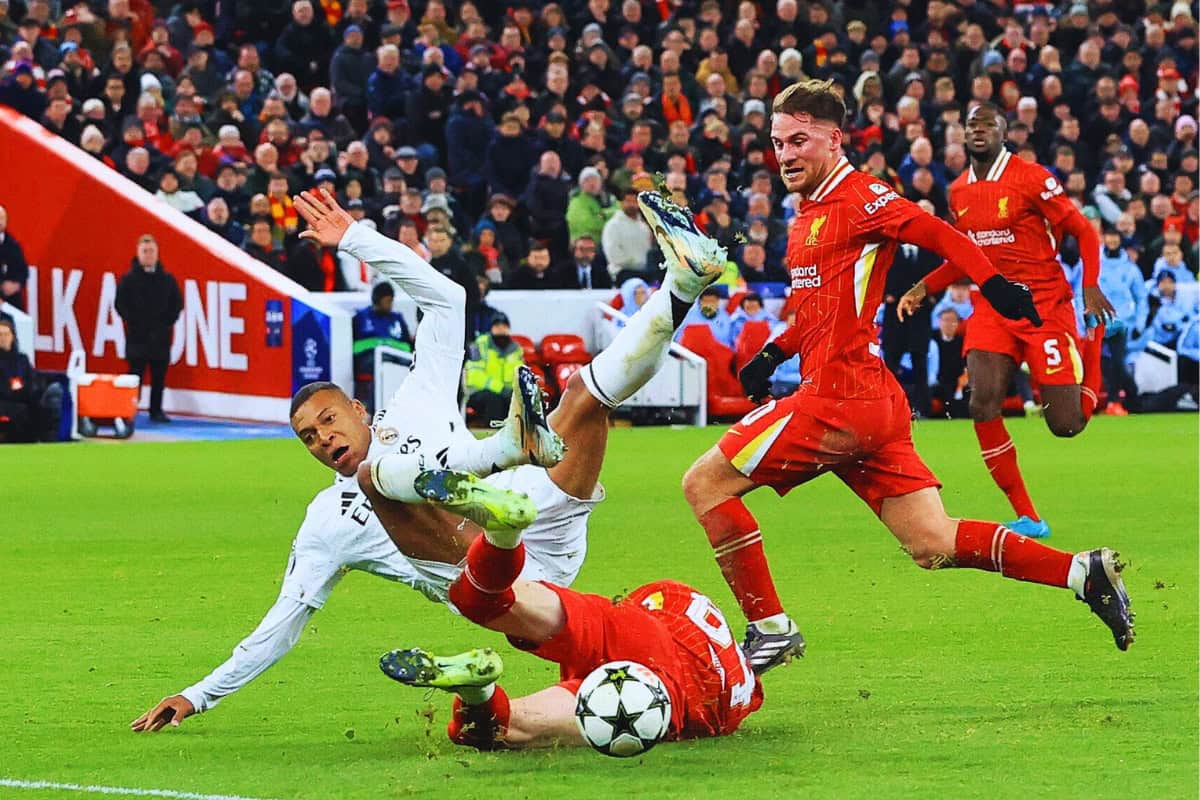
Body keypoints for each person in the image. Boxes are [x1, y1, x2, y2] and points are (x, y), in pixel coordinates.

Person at [130, 187, 725, 732]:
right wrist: (199, 693)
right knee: (374, 482)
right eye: (309, 439)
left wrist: (359, 239)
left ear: (361, 410)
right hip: (500, 585)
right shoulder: (325, 524)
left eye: (329, 421)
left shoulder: (413, 402)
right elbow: (282, 623)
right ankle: (498, 458)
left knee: (584, 396)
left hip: (547, 528)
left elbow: (447, 300)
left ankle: (683, 284)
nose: (322, 440)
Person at [680, 81, 1132, 676]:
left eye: (799, 140)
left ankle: (770, 628)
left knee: (705, 484)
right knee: (932, 542)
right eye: (777, 143)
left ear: (833, 138)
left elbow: (941, 234)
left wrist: (992, 285)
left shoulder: (862, 194)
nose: (785, 154)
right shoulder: (809, 214)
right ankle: (1081, 572)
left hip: (838, 399)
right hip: (868, 399)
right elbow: (823, 310)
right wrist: (772, 352)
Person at [377, 501, 762, 751]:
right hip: (674, 694)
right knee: (504, 729)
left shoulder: (700, 626)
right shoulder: (741, 697)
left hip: (651, 616)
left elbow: (662, 601)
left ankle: (503, 537)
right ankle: (479, 692)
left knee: (482, 600)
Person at [898, 103, 1116, 540]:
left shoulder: (1033, 178)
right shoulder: (958, 190)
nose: (978, 131)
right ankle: (1029, 516)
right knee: (981, 402)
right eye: (971, 125)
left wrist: (1090, 284)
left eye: (987, 125)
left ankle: (1093, 347)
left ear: (1003, 133)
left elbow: (1084, 231)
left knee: (1066, 424)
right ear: (962, 135)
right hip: (993, 310)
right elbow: (967, 255)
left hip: (1044, 308)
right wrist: (923, 287)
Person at [115, 234, 183, 424]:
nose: (149, 255)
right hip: (137, 336)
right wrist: (134, 321)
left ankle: (156, 410)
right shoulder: (128, 279)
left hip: (160, 337)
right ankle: (128, 410)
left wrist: (166, 323)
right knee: (134, 375)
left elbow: (177, 304)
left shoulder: (168, 280)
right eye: (145, 251)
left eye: (152, 251)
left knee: (159, 377)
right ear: (138, 253)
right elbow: (120, 304)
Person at [352, 282, 413, 413]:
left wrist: (387, 345)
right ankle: (372, 410)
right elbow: (355, 347)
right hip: (367, 359)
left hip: (396, 357)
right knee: (380, 363)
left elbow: (407, 346)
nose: (390, 304)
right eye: (387, 301)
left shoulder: (397, 318)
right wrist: (379, 344)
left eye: (392, 301)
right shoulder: (361, 318)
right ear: (378, 300)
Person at [0, 318, 61, 442]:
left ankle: (49, 442)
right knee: (19, 411)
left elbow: (32, 380)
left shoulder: (22, 359)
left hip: (24, 398)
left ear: (12, 336)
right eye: (0, 335)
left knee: (43, 404)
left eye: (6, 334)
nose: (3, 338)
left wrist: (23, 388)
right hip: (4, 400)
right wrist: (12, 388)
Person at [465, 312, 523, 425]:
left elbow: (519, 374)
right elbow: (474, 376)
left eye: (504, 326)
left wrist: (513, 391)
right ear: (491, 328)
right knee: (494, 400)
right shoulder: (479, 345)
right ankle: (491, 432)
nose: (501, 329)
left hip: (506, 392)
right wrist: (500, 388)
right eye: (497, 326)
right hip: (479, 392)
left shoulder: (516, 349)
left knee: (518, 400)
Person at [927, 308, 969, 419]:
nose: (949, 324)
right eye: (946, 320)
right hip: (936, 381)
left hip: (957, 380)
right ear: (939, 322)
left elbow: (966, 365)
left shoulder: (963, 342)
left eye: (953, 321)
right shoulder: (931, 339)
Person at [0, 205, 28, 310]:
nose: (0, 222)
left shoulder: (13, 245)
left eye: (2, 219)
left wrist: (16, 285)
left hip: (12, 303)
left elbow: (23, 271)